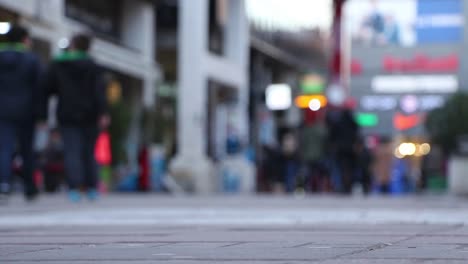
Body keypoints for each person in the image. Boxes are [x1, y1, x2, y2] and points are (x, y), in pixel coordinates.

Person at [40, 34, 109, 202]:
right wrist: (103, 112)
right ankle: (92, 187)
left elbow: (48, 88)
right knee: (89, 151)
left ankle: (74, 188)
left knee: (72, 151)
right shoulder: (93, 66)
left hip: (67, 113)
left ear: (72, 45)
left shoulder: (59, 64)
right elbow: (99, 91)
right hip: (90, 114)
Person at [0, 25, 42, 202]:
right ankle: (30, 187)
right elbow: (39, 88)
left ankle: (4, 184)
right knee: (27, 150)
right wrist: (42, 114)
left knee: (4, 148)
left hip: (2, 109)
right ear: (24, 39)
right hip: (27, 110)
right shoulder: (31, 59)